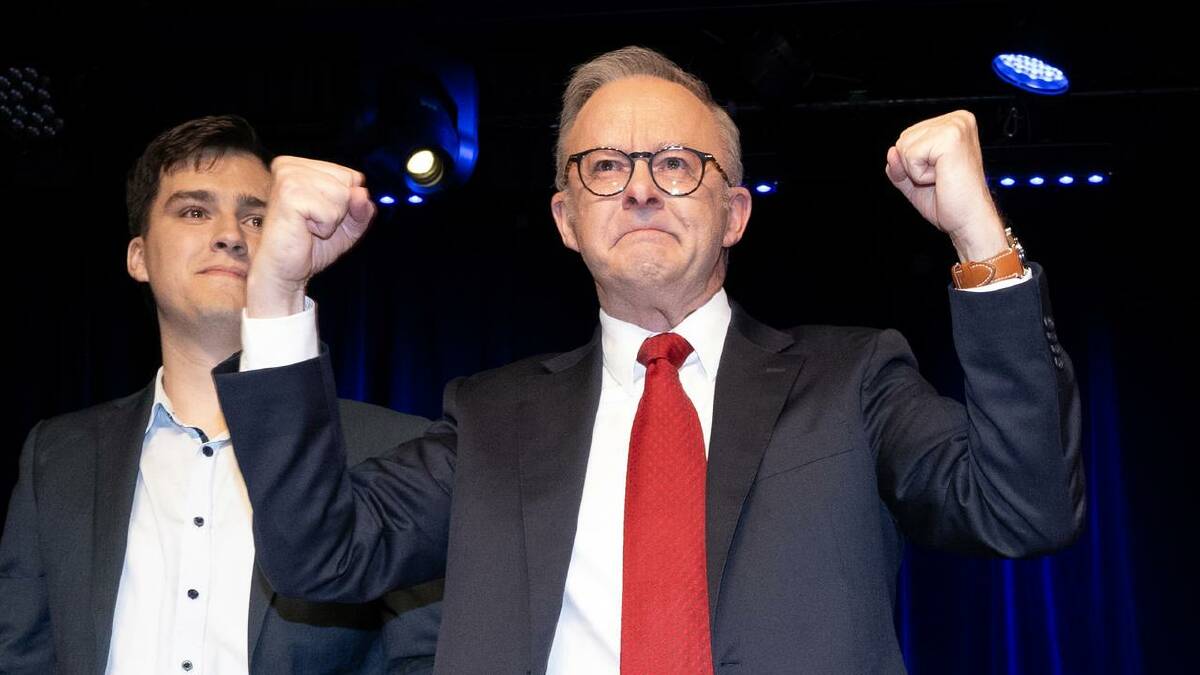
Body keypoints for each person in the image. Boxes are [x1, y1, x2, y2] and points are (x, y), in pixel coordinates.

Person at [214, 46, 1084, 674]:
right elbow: (319, 553)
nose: (637, 188)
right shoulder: (491, 417)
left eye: (674, 163)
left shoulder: (852, 380)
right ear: (564, 219)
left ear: (735, 212)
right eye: (602, 168)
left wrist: (979, 234)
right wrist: (276, 295)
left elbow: (1025, 506)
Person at [0, 115, 440, 675]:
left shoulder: (398, 448)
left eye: (257, 218)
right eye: (194, 211)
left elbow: (426, 661)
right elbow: (20, 656)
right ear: (138, 257)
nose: (231, 234)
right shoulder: (55, 456)